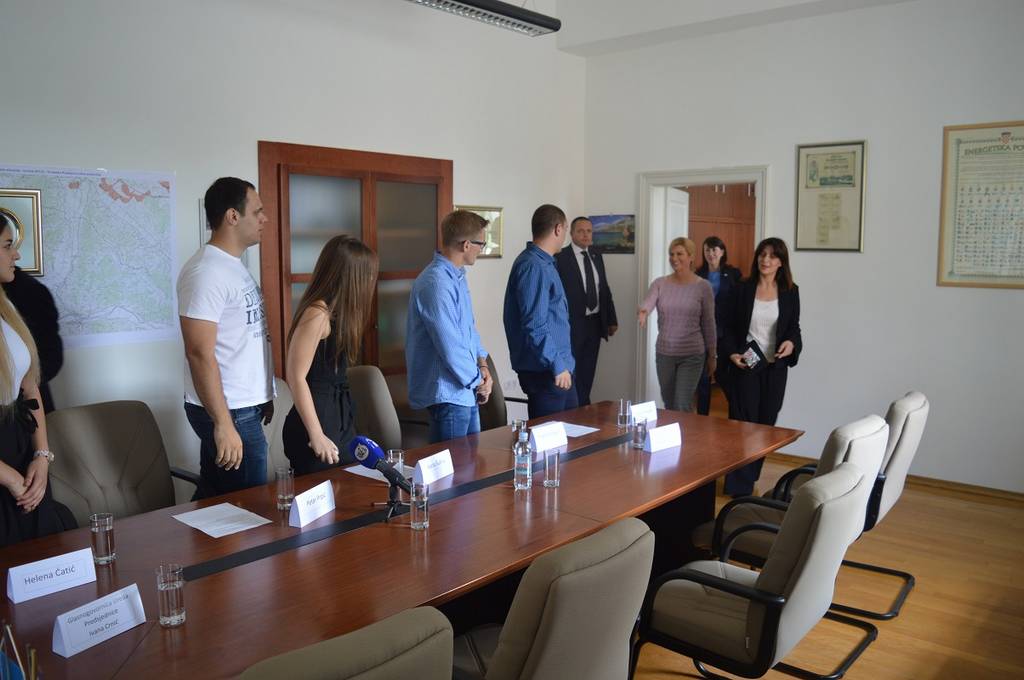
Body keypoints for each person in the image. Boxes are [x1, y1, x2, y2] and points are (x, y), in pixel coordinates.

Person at [178, 177, 275, 498]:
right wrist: (222, 422)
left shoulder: (231, 265)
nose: (264, 219)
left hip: (243, 404)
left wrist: (264, 393)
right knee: (250, 509)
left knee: (216, 499)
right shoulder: (206, 272)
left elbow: (244, 337)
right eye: (257, 211)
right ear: (233, 216)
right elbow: (198, 352)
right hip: (230, 409)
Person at [0, 212, 75, 546]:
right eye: (7, 246)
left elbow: (30, 386)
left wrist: (42, 456)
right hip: (6, 468)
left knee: (43, 551)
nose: (16, 254)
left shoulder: (7, 309)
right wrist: (9, 478)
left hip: (22, 445)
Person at [284, 236, 378, 474]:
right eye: (367, 275)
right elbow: (296, 377)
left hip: (337, 414)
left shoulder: (340, 313)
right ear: (350, 277)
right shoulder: (317, 313)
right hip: (316, 421)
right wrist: (316, 434)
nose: (370, 281)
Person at [720, 237, 802, 497]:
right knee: (744, 424)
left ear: (781, 262)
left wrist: (791, 343)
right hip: (747, 365)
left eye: (772, 256)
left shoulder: (790, 291)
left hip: (775, 368)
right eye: (762, 254)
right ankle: (739, 487)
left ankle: (750, 474)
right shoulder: (742, 289)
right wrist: (732, 353)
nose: (765, 260)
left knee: (766, 424)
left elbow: (794, 328)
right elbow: (727, 327)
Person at [406, 210, 492, 443]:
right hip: (448, 394)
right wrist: (478, 381)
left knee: (470, 461)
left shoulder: (457, 276)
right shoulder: (436, 283)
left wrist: (483, 365)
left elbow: (470, 329)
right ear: (466, 245)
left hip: (466, 389)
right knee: (454, 465)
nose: (481, 250)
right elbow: (450, 347)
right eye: (481, 244)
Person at [504, 204, 577, 419]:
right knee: (550, 437)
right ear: (558, 229)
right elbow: (535, 324)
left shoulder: (545, 262)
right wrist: (557, 365)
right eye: (565, 229)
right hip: (547, 371)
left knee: (575, 431)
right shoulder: (533, 265)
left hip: (559, 367)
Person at [638, 237, 715, 413]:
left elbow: (709, 323)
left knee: (681, 404)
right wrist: (643, 311)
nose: (674, 258)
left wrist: (712, 355)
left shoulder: (703, 287)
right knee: (670, 404)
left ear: (691, 256)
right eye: (671, 254)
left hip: (692, 354)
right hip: (665, 354)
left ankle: (686, 432)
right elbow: (648, 302)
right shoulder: (660, 283)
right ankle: (677, 431)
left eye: (679, 254)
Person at [555, 216, 618, 406]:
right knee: (572, 371)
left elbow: (604, 288)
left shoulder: (596, 255)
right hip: (572, 324)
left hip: (594, 323)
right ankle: (573, 409)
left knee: (588, 371)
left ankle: (584, 408)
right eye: (581, 231)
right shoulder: (561, 257)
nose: (585, 235)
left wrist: (611, 319)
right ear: (571, 233)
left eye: (589, 231)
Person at [2, 266, 63, 413]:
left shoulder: (29, 291)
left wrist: (21, 384)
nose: (16, 255)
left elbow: (50, 359)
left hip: (22, 410)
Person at [694, 235, 742, 416]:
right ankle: (701, 418)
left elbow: (740, 302)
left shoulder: (733, 274)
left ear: (722, 252)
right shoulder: (698, 274)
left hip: (725, 332)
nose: (711, 253)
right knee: (703, 379)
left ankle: (736, 412)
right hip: (701, 333)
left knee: (722, 375)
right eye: (707, 250)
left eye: (714, 249)